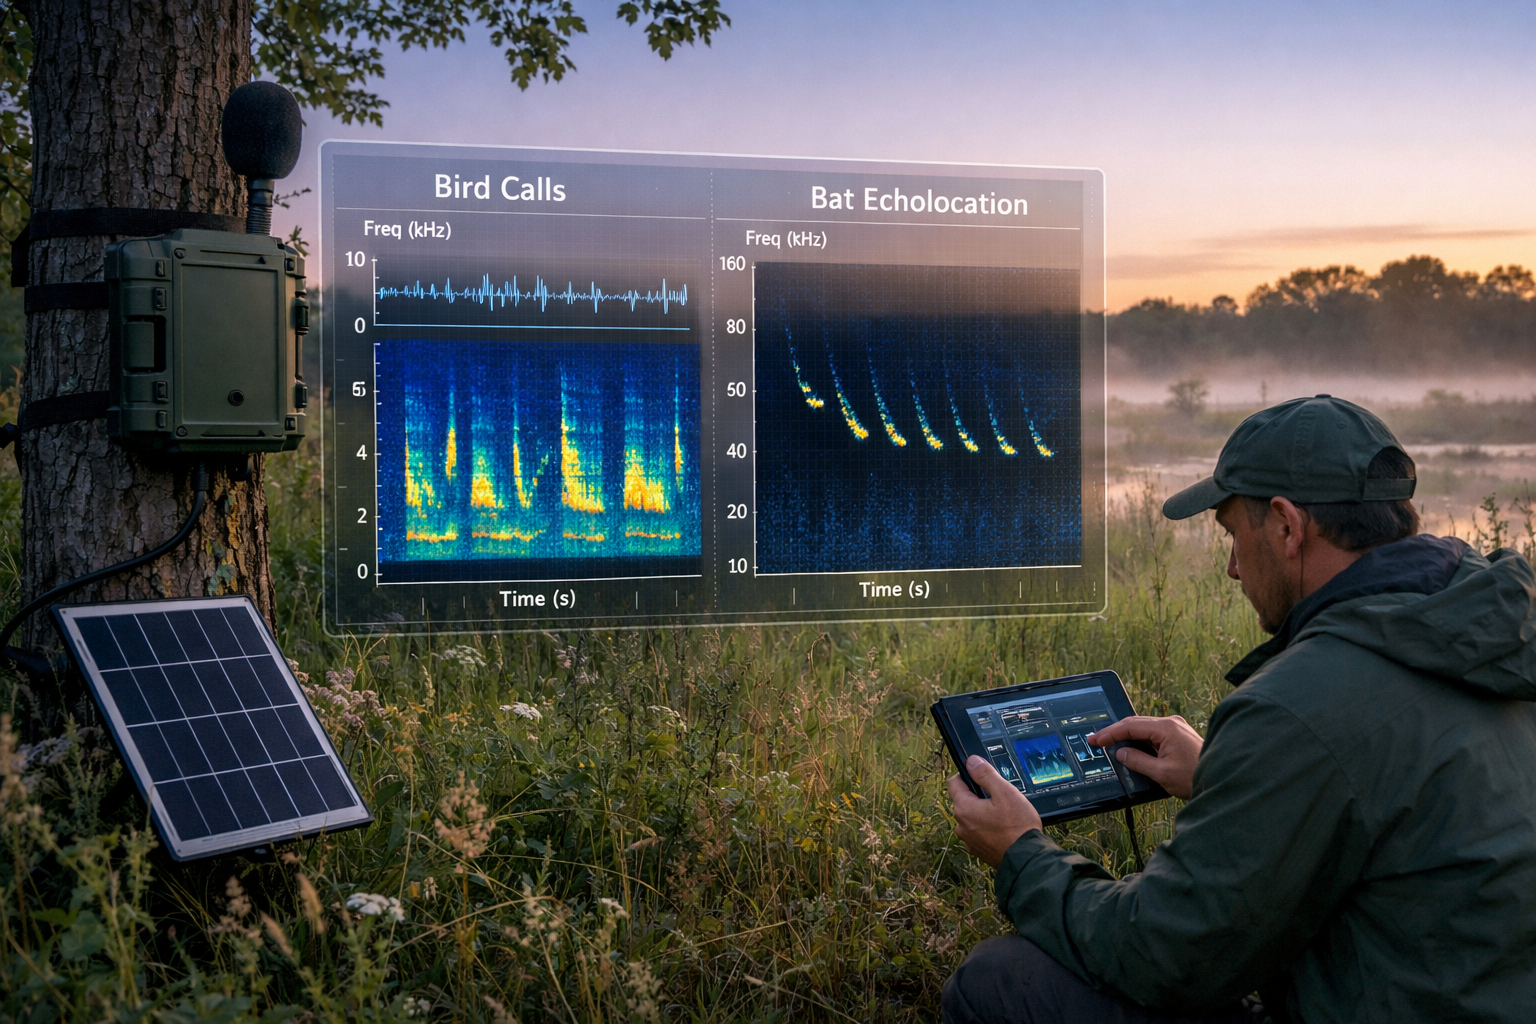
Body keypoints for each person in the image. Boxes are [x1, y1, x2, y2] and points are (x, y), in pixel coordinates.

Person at [942, 395, 1536, 1024]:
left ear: (1285, 526)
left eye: (1231, 534)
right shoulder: (1489, 633)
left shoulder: (1301, 703)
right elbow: (1405, 799)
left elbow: (1166, 957)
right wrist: (1226, 777)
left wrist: (1021, 856)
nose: (1229, 567)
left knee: (999, 980)